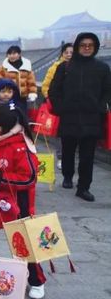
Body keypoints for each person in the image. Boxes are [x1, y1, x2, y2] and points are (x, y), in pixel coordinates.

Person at [0, 101, 46, 299]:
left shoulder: (20, 146)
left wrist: (1, 178)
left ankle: (36, 280)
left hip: (16, 205)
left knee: (23, 244)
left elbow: (30, 178)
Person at [49, 32, 111, 202]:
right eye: (83, 45)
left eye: (90, 45)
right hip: (69, 116)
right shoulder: (65, 67)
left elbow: (108, 91)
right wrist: (60, 108)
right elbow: (53, 91)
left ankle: (84, 187)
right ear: (77, 47)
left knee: (88, 155)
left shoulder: (102, 68)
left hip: (92, 117)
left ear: (95, 48)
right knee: (68, 149)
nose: (86, 48)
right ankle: (68, 176)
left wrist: (101, 106)